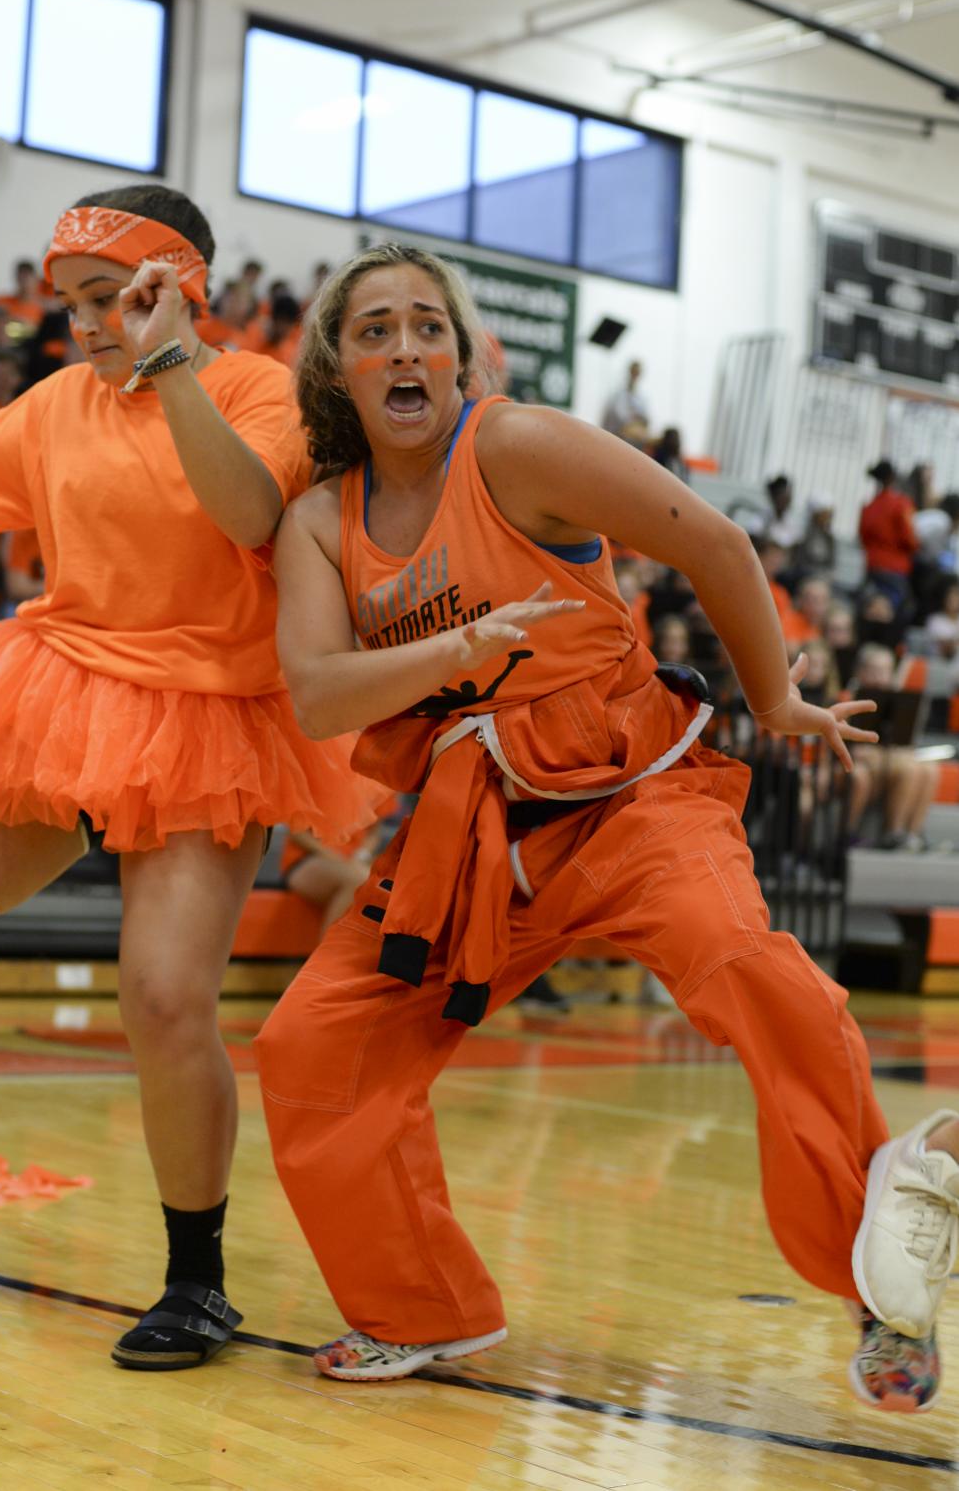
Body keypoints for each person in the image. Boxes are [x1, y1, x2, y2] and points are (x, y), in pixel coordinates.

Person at [254, 241, 959, 1408]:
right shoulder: (322, 524)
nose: (404, 347)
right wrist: (458, 652)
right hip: (477, 824)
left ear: (464, 349)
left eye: (427, 324)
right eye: (374, 329)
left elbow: (714, 542)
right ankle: (420, 1307)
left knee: (747, 968)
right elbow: (321, 692)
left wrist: (774, 696)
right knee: (312, 1045)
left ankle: (882, 1287)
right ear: (337, 364)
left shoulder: (515, 446)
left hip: (633, 792)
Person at [0, 182, 378, 1372]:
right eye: (73, 303)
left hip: (209, 720)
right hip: (67, 689)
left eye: (109, 299)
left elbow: (249, 514)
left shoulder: (263, 391)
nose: (85, 324)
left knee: (161, 1000)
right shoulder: (58, 402)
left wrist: (172, 365)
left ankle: (197, 1281)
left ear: (178, 284)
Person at [847, 643, 938, 852]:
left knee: (929, 769)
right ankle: (893, 832)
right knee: (908, 767)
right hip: (858, 758)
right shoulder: (850, 694)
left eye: (885, 671)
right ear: (860, 672)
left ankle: (912, 834)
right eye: (874, 670)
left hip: (883, 757)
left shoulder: (896, 700)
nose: (880, 677)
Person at [859, 460, 917, 614]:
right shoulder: (901, 504)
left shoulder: (869, 505)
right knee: (898, 611)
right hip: (895, 567)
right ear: (893, 477)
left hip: (873, 565)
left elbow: (863, 537)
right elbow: (909, 538)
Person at [601, 359, 648, 440]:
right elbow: (619, 417)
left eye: (637, 373)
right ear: (630, 372)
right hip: (616, 437)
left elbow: (645, 418)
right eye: (634, 372)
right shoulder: (617, 396)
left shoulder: (642, 397)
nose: (635, 376)